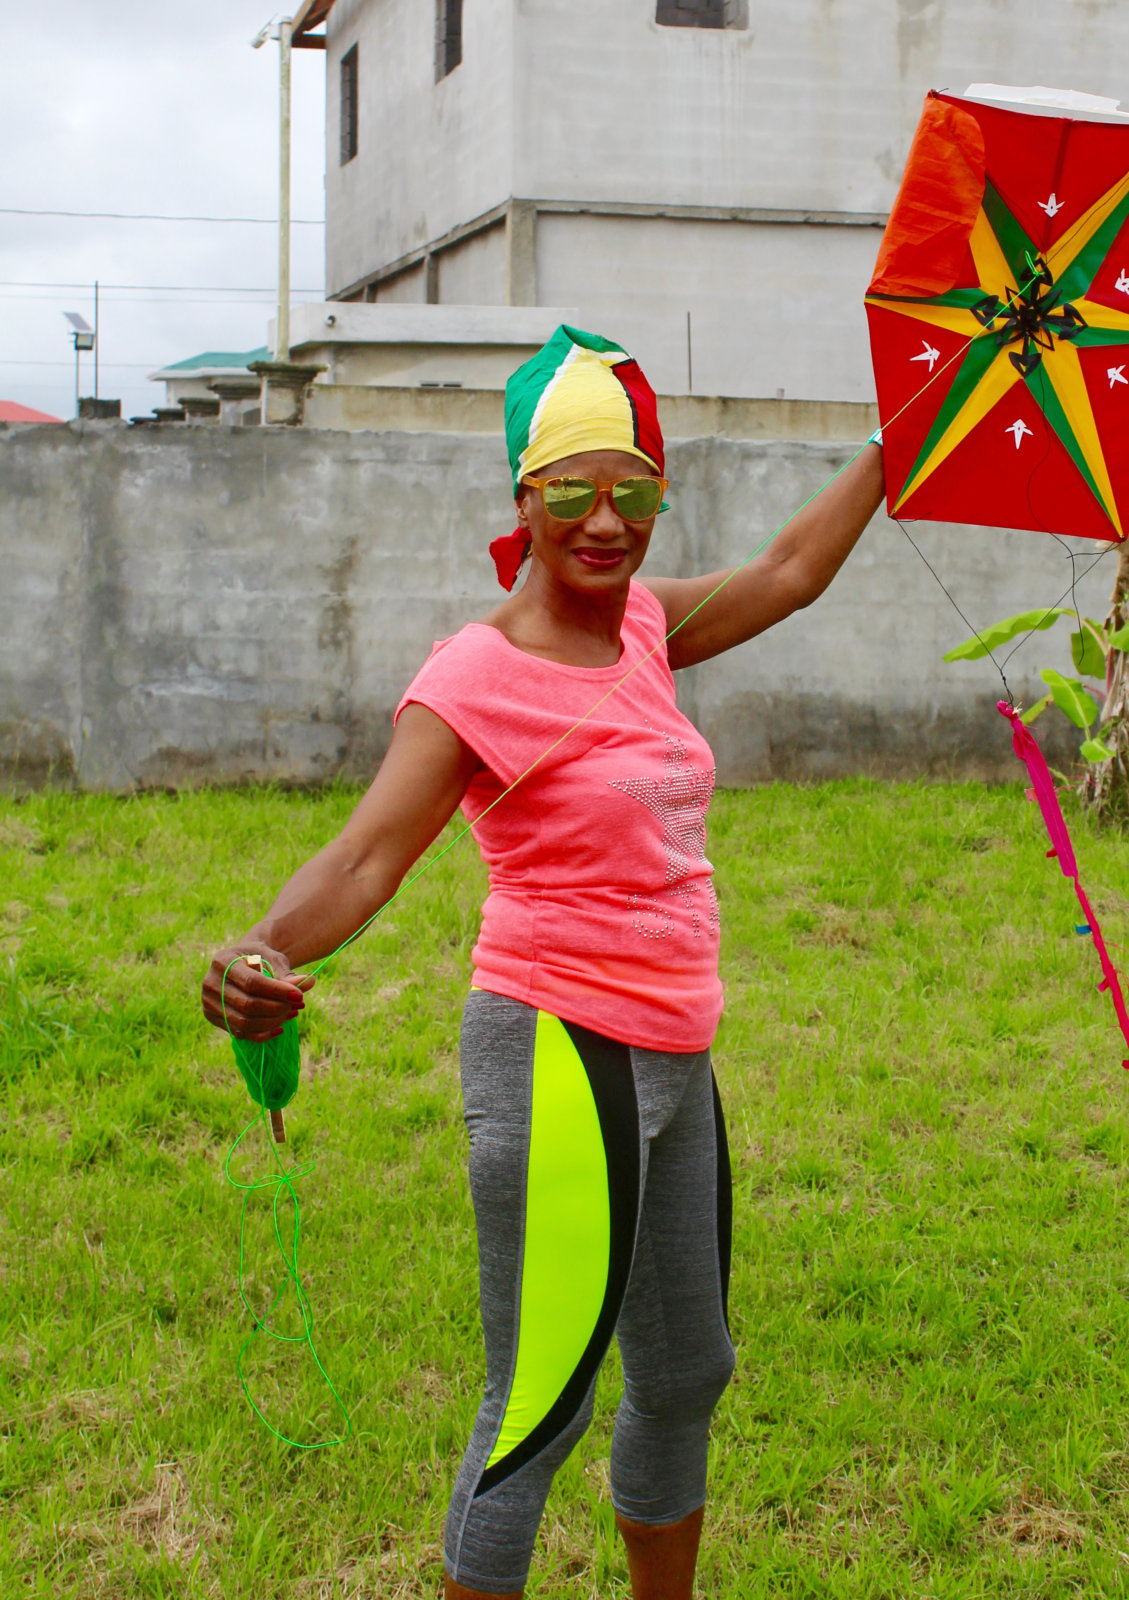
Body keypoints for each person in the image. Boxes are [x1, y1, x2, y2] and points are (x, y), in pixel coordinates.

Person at [203, 325, 884, 1599]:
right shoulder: (477, 672)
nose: (606, 519)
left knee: (687, 1371)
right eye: (573, 489)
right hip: (560, 1052)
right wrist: (257, 952)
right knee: (541, 1406)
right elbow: (363, 859)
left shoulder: (639, 631)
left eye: (635, 491)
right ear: (524, 496)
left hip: (678, 1046)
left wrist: (904, 442)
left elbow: (790, 570)